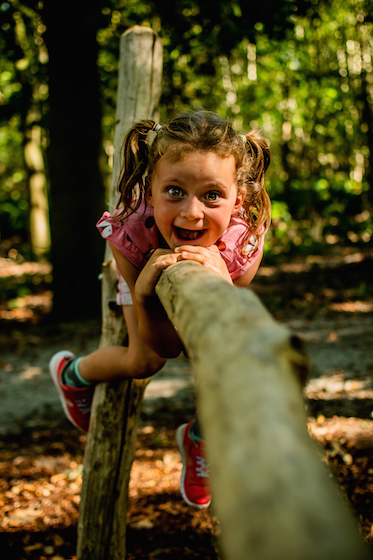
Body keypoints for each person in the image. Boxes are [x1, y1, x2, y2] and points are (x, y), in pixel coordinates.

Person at [49, 111, 271, 510]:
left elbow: (227, 320)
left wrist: (222, 283)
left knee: (215, 359)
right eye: (174, 191)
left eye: (212, 195)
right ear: (149, 191)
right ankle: (72, 374)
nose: (191, 213)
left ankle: (201, 437)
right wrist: (147, 293)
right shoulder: (130, 231)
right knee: (143, 360)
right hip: (144, 271)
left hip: (212, 289)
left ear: (238, 197)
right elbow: (164, 346)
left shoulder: (245, 239)